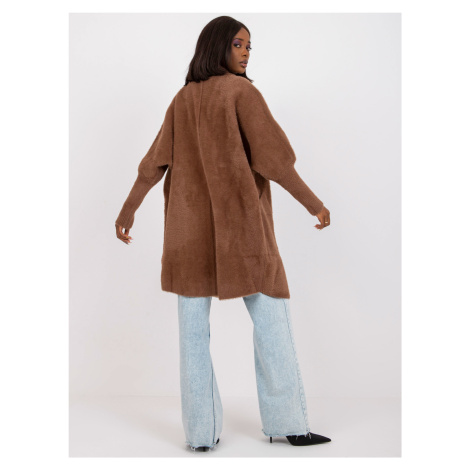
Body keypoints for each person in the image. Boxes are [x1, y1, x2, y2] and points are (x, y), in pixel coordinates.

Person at [115, 16, 332, 452]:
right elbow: (275, 161)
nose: (246, 52)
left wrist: (128, 210)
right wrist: (314, 203)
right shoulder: (241, 93)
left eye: (249, 45)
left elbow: (153, 164)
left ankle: (201, 435)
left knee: (192, 336)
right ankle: (290, 424)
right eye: (238, 44)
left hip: (187, 237)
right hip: (243, 234)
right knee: (272, 323)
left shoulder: (182, 100)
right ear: (216, 46)